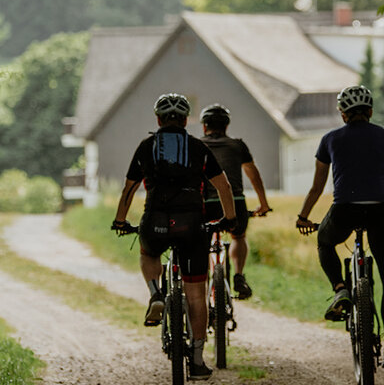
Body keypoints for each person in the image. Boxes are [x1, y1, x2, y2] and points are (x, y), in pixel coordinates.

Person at [112, 93, 237, 381]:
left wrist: (120, 220)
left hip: (155, 222)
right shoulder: (198, 147)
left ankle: (156, 292)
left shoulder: (147, 146)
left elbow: (129, 189)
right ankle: (196, 359)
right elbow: (224, 186)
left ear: (158, 120)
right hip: (193, 226)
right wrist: (229, 219)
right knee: (196, 296)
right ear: (185, 120)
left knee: (149, 253)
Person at [296, 85, 384, 370]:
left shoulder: (330, 139)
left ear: (343, 115)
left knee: (325, 242)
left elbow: (317, 187)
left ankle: (340, 288)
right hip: (379, 212)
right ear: (371, 112)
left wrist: (303, 216)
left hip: (344, 212)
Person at [200, 103, 272, 299]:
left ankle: (203, 280)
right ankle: (239, 275)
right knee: (238, 236)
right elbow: (252, 174)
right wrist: (263, 203)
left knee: (201, 244)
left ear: (204, 126)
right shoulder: (237, 145)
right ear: (226, 126)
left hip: (205, 203)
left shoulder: (197, 145)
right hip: (235, 201)